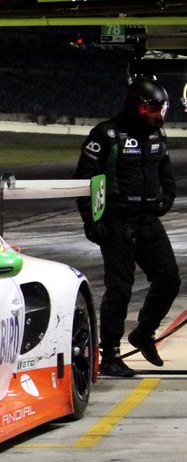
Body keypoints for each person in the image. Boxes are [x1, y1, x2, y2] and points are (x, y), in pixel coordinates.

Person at [75, 76, 181, 377]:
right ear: (138, 106)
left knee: (169, 280)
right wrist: (90, 220)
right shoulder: (106, 134)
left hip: (148, 221)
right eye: (152, 109)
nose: (158, 115)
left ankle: (144, 333)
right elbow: (84, 179)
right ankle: (109, 354)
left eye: (161, 109)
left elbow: (166, 172)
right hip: (116, 222)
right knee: (119, 288)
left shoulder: (158, 136)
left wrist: (168, 197)